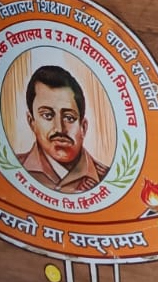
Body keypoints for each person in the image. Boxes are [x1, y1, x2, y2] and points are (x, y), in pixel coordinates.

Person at [15, 65, 109, 193]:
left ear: (83, 127)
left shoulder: (108, 179)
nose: (59, 128)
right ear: (32, 122)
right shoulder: (12, 168)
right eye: (47, 115)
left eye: (69, 118)